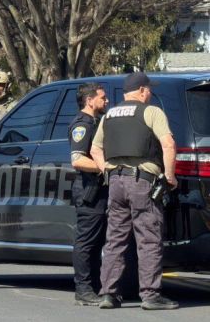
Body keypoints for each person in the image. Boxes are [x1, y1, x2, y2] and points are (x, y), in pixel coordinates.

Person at [90, 72, 178, 310]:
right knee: (148, 239)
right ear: (141, 90)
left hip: (115, 183)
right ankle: (150, 296)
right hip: (142, 182)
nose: (150, 93)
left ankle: (108, 293)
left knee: (115, 240)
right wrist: (169, 176)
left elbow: (95, 149)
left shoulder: (109, 115)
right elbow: (168, 144)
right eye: (149, 89)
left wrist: (107, 170)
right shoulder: (151, 112)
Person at [69, 82, 109, 306]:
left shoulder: (97, 122)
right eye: (102, 98)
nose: (106, 101)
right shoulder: (82, 124)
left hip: (101, 191)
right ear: (90, 100)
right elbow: (78, 160)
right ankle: (83, 289)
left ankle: (94, 286)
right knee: (86, 241)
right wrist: (106, 167)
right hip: (89, 191)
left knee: (97, 242)